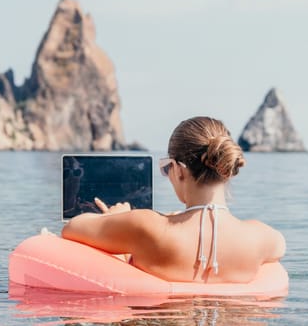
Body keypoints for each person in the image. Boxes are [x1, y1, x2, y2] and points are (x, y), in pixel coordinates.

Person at [62, 116, 286, 283]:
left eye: (166, 168)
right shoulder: (260, 237)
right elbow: (280, 248)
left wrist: (117, 218)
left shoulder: (143, 226)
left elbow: (72, 228)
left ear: (178, 170)